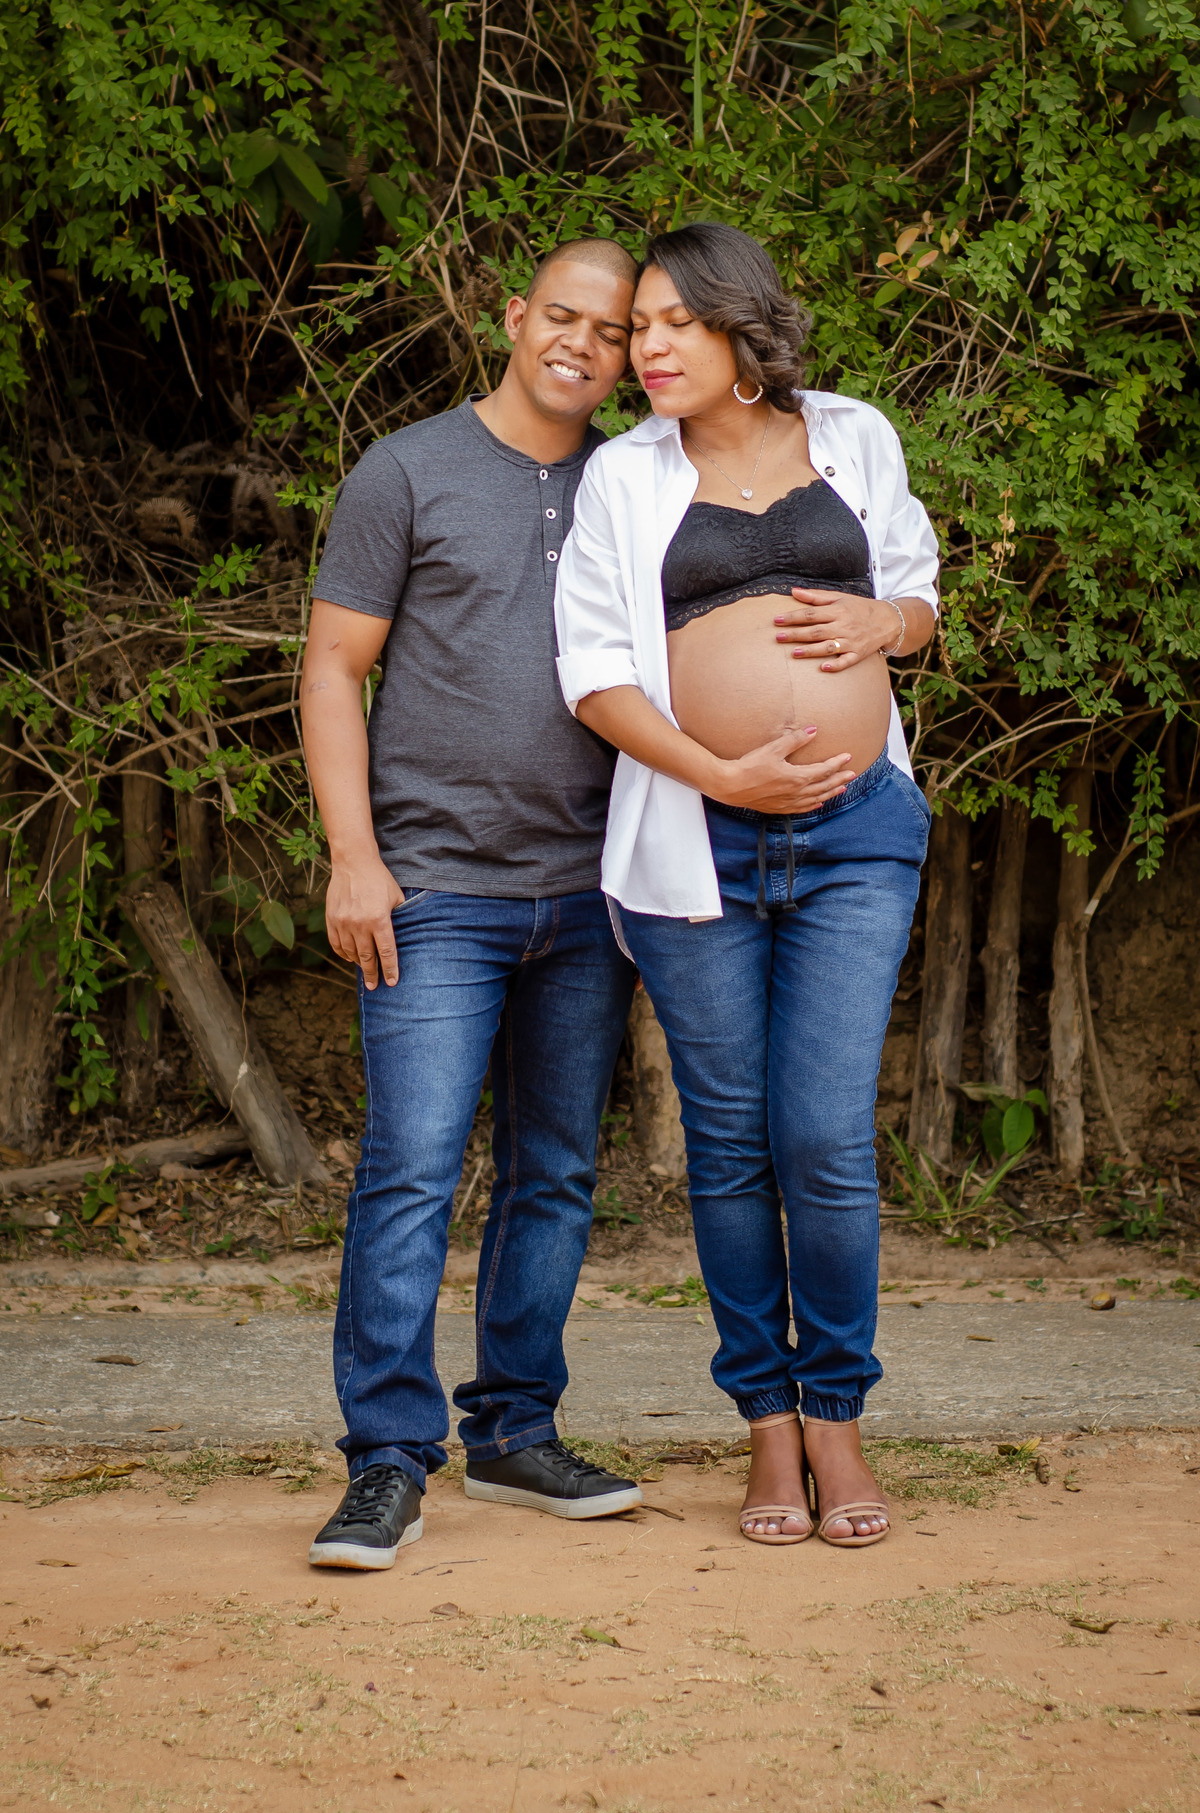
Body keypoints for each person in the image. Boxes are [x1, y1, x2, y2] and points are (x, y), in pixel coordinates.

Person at [554, 222, 939, 1549]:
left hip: (856, 834)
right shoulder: (622, 477)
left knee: (822, 1135)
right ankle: (767, 1423)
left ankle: (836, 1412)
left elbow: (918, 595)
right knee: (727, 1142)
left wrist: (885, 621)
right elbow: (595, 675)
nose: (647, 351)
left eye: (677, 324)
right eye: (639, 330)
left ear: (741, 326)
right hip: (695, 845)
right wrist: (725, 774)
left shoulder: (855, 435)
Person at [300, 239, 644, 1570]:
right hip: (435, 886)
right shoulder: (406, 470)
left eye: (610, 332)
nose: (581, 344)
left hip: (589, 891)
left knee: (554, 1171)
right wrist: (355, 855)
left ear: (630, 356)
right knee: (412, 1170)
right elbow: (334, 667)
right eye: (562, 316)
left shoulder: (633, 481)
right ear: (513, 317)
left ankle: (513, 1429)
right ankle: (387, 1461)